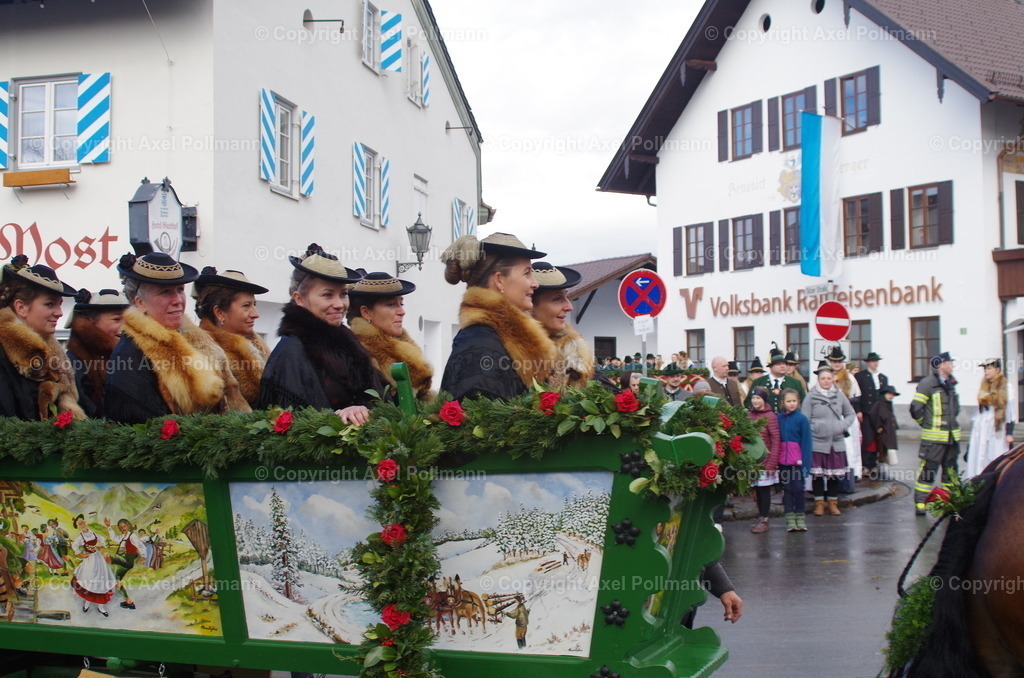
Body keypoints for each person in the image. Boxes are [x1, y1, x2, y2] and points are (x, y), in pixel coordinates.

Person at [105, 252, 249, 424]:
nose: (178, 300)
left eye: (180, 290)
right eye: (165, 292)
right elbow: (143, 429)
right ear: (140, 303)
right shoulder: (129, 353)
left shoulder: (195, 341)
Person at [256, 244, 385, 424]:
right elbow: (291, 427)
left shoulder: (349, 343)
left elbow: (380, 403)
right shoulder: (291, 351)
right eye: (327, 295)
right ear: (299, 299)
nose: (339, 304)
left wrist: (363, 411)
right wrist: (338, 418)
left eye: (343, 294)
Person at [439, 233, 556, 400]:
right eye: (527, 273)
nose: (535, 283)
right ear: (499, 280)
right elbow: (480, 411)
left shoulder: (495, 336)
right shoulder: (480, 344)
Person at [0, 256, 85, 421]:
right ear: (21, 307)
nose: (59, 312)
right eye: (50, 304)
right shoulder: (3, 354)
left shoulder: (54, 355)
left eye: (60, 304)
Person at [347, 272, 434, 401]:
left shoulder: (403, 345)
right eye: (391, 304)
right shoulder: (358, 355)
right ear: (366, 312)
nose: (402, 312)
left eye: (401, 304)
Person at [193, 267, 271, 407]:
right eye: (246, 306)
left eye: (254, 304)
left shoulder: (259, 347)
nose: (256, 314)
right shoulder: (202, 353)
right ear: (219, 313)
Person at [529, 263, 595, 389]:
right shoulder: (507, 352)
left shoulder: (575, 352)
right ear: (529, 304)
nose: (569, 307)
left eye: (567, 296)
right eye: (557, 299)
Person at [65, 288, 129, 418]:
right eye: (117, 319)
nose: (125, 327)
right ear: (92, 322)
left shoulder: (126, 355)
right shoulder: (75, 361)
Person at [911, 352, 961, 516]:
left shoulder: (951, 383)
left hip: (951, 438)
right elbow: (915, 408)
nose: (952, 366)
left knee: (950, 472)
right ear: (941, 365)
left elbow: (955, 409)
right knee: (929, 470)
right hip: (934, 439)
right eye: (950, 363)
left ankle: (948, 501)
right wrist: (925, 424)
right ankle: (920, 503)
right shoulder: (928, 384)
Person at [803, 360, 855, 517]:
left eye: (828, 378)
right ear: (818, 380)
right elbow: (805, 419)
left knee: (834, 475)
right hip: (818, 441)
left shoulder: (839, 395)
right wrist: (815, 428)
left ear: (833, 379)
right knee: (818, 476)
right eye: (823, 378)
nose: (826, 381)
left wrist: (842, 426)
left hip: (836, 441)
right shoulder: (811, 397)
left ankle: (833, 503)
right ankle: (819, 503)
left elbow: (850, 414)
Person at [965, 358, 1014, 479]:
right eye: (985, 369)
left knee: (995, 454)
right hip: (982, 425)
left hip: (997, 426)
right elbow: (980, 410)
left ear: (997, 369)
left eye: (989, 368)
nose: (986, 371)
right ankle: (978, 480)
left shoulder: (1006, 387)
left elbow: (1010, 411)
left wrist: (1009, 432)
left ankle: (994, 480)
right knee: (979, 455)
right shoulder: (984, 386)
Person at [824, 346, 862, 490]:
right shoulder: (826, 377)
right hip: (829, 415)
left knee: (850, 446)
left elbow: (857, 397)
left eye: (839, 361)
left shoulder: (849, 378)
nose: (836, 364)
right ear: (830, 362)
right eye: (834, 361)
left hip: (846, 414)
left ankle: (852, 474)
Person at [777, 388, 812, 532]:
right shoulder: (779, 418)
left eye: (794, 401)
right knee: (787, 489)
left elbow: (806, 443)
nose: (791, 404)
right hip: (783, 461)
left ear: (798, 402)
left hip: (797, 461)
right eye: (788, 401)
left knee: (798, 489)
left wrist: (806, 465)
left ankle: (800, 517)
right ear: (783, 403)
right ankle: (790, 519)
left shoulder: (802, 419)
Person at [748, 387, 780, 533]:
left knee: (764, 491)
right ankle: (760, 516)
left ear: (764, 400)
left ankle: (764, 519)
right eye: (753, 398)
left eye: (758, 398)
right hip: (752, 461)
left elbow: (775, 441)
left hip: (765, 461)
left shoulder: (770, 417)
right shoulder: (749, 415)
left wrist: (772, 463)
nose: (755, 401)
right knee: (756, 490)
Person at [70, 514, 116, 617]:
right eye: (79, 524)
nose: (82, 524)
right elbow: (74, 546)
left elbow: (103, 539)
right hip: (90, 560)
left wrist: (101, 547)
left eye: (82, 522)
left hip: (98, 559)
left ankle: (101, 607)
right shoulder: (81, 537)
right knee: (90, 580)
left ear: (85, 522)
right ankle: (87, 603)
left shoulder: (93, 533)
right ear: (78, 527)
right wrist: (81, 554)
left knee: (101, 579)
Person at [854, 351, 889, 476]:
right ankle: (866, 464)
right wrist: (858, 410)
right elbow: (857, 396)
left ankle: (874, 464)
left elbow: (886, 397)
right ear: (868, 363)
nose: (875, 363)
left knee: (878, 438)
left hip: (879, 414)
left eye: (876, 361)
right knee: (867, 438)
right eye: (873, 361)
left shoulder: (883, 378)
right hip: (866, 412)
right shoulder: (860, 376)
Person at [746, 346, 804, 412]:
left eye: (784, 364)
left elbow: (803, 402)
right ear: (771, 367)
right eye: (778, 364)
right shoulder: (758, 382)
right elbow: (748, 402)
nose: (782, 366)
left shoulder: (795, 383)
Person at [105, 517, 142, 610]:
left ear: (128, 526)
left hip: (126, 559)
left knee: (106, 555)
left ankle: (98, 574)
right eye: (120, 528)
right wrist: (109, 527)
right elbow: (113, 537)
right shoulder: (122, 537)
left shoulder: (132, 536)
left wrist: (143, 557)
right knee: (116, 582)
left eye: (124, 526)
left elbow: (140, 546)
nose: (123, 529)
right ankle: (129, 602)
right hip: (122, 563)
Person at [866, 384, 899, 480]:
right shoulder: (880, 404)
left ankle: (882, 472)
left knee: (885, 452)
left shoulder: (888, 404)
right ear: (884, 394)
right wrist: (878, 427)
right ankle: (881, 473)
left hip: (888, 432)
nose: (891, 396)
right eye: (889, 394)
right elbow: (873, 415)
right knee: (882, 452)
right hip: (883, 433)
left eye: (892, 394)